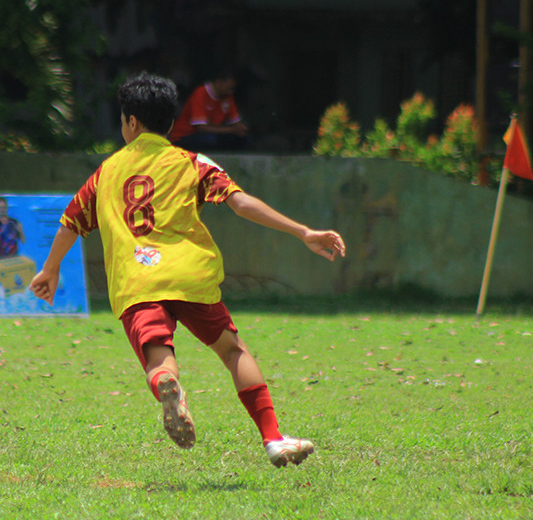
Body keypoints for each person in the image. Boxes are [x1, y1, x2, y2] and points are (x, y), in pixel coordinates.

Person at [29, 72, 346, 468]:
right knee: (233, 350)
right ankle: (273, 438)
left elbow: (70, 222)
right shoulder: (191, 162)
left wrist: (50, 270)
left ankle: (168, 384)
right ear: (171, 123)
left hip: (137, 282)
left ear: (131, 122)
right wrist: (302, 231)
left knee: (159, 360)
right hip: (190, 276)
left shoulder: (105, 172)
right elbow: (240, 203)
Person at [170, 71, 249, 151]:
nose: (231, 92)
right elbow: (201, 128)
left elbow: (235, 122)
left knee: (241, 138)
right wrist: (231, 130)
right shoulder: (201, 93)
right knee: (209, 140)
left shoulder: (227, 97)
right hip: (185, 136)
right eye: (228, 88)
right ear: (218, 83)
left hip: (213, 133)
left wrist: (241, 129)